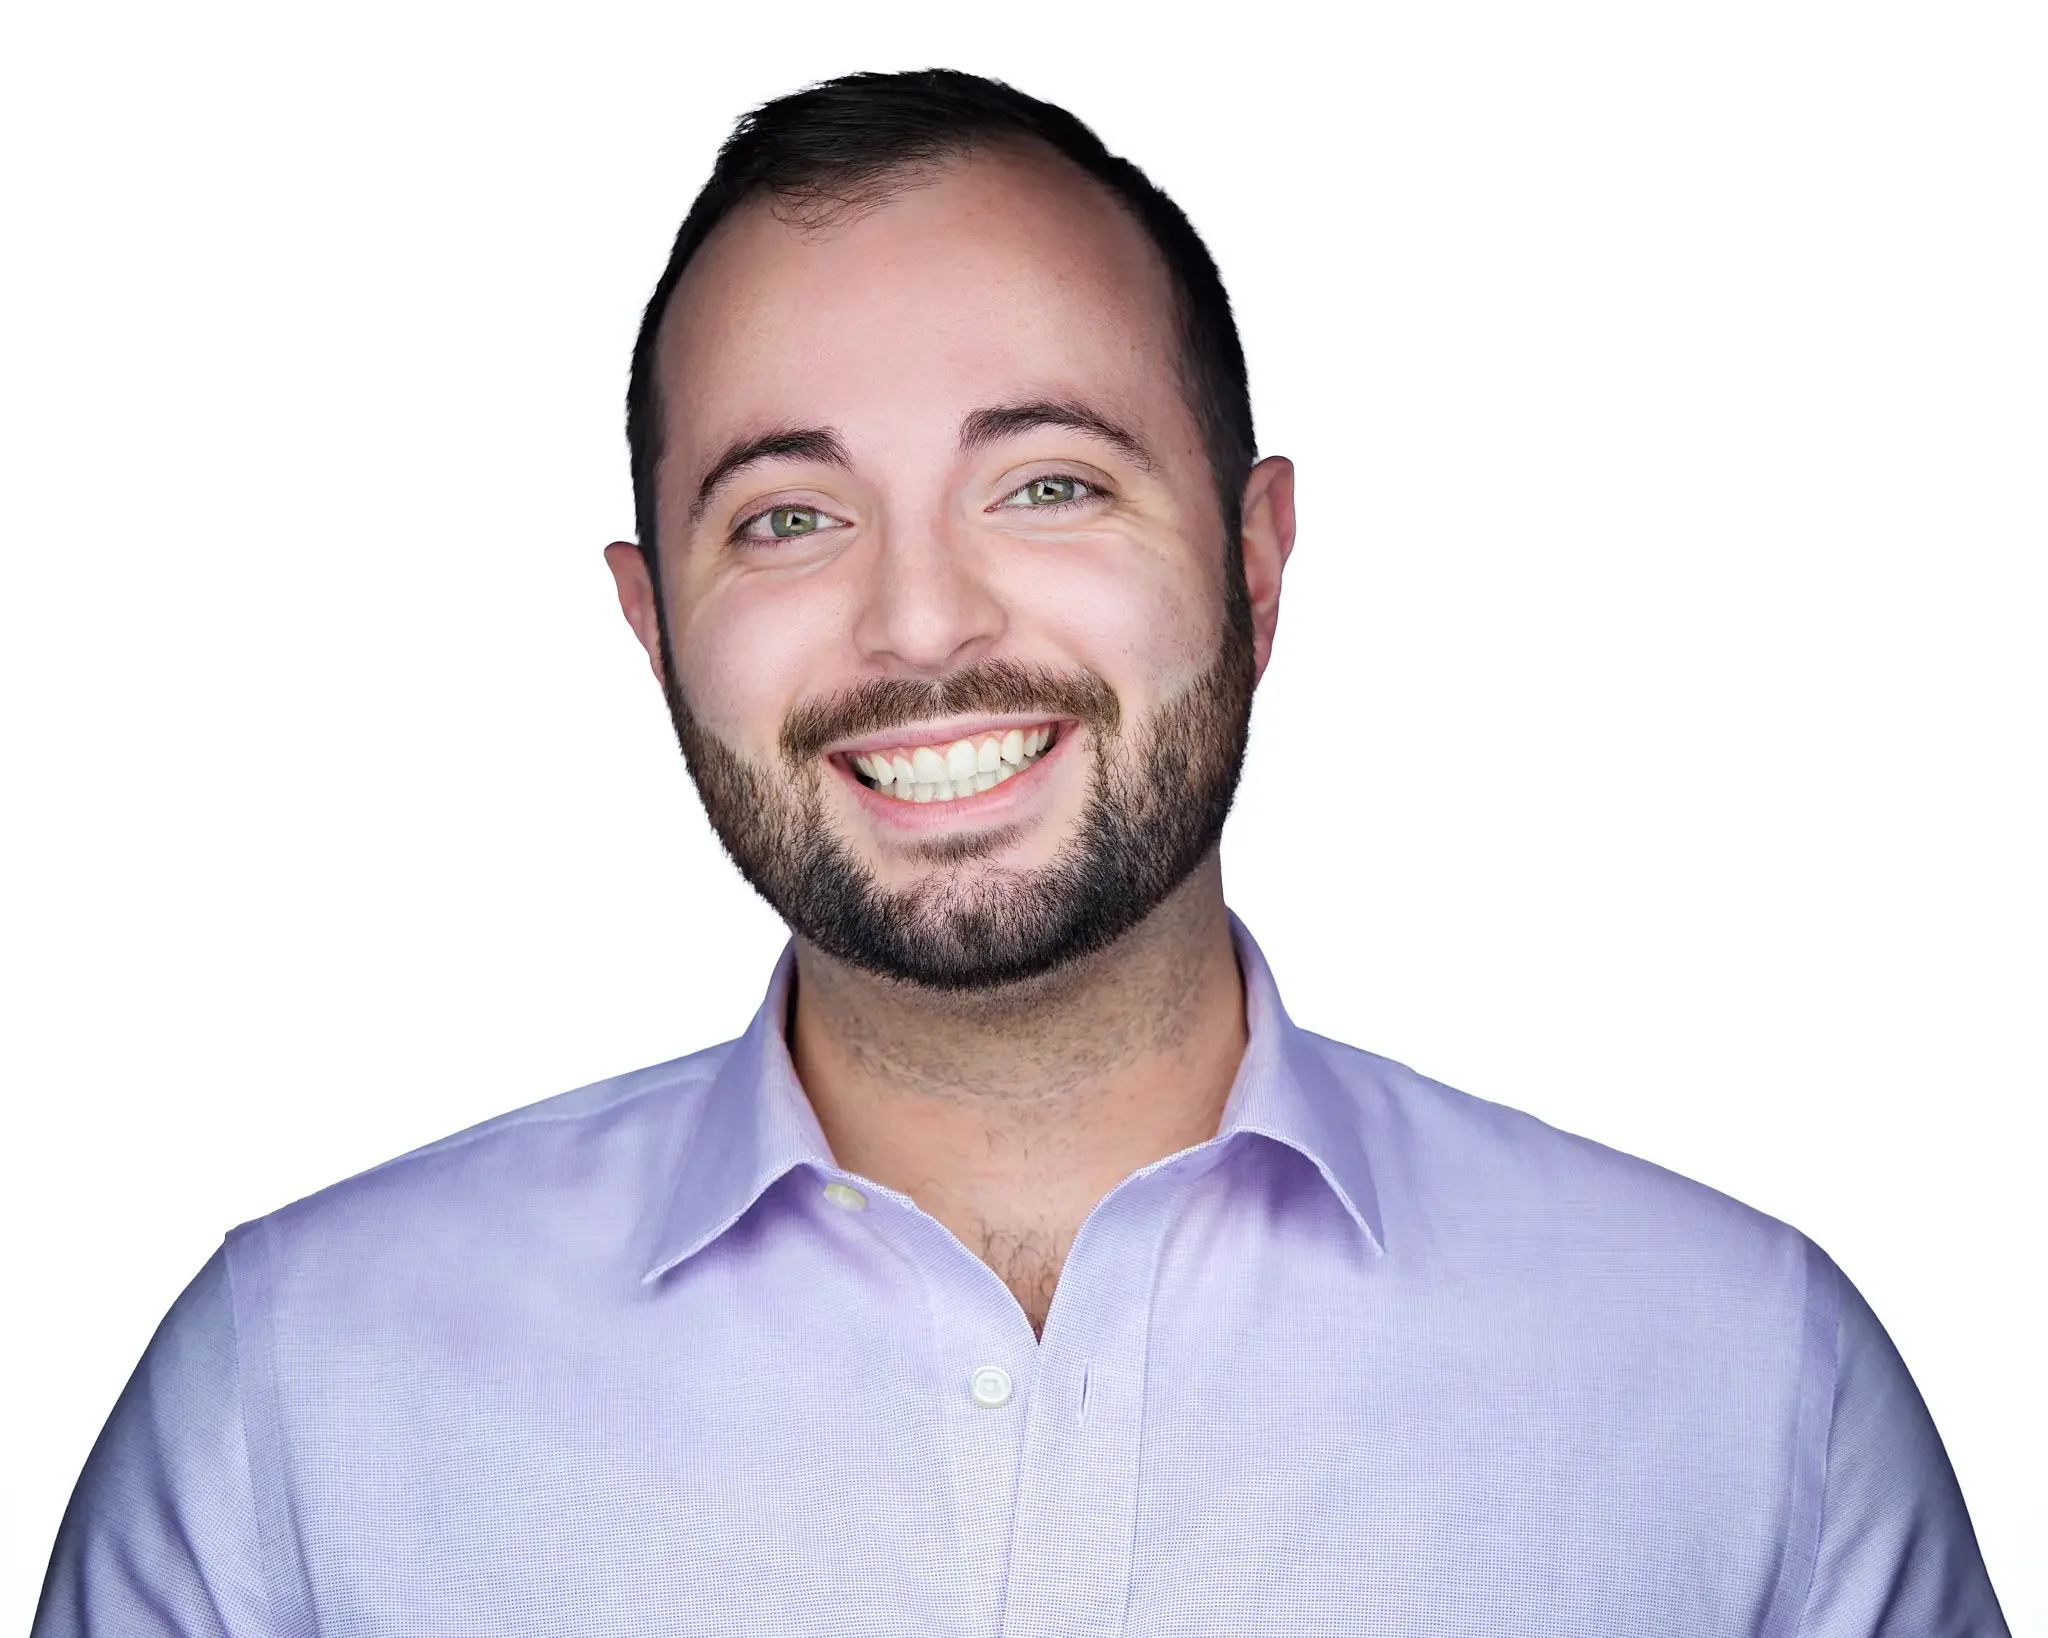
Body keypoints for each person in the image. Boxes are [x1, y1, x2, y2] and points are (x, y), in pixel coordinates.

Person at [34, 68, 2008, 1638]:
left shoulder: (1747, 1388)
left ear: (1252, 559)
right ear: (652, 625)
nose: (917, 631)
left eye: (1046, 483)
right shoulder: (292, 1399)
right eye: (786, 520)